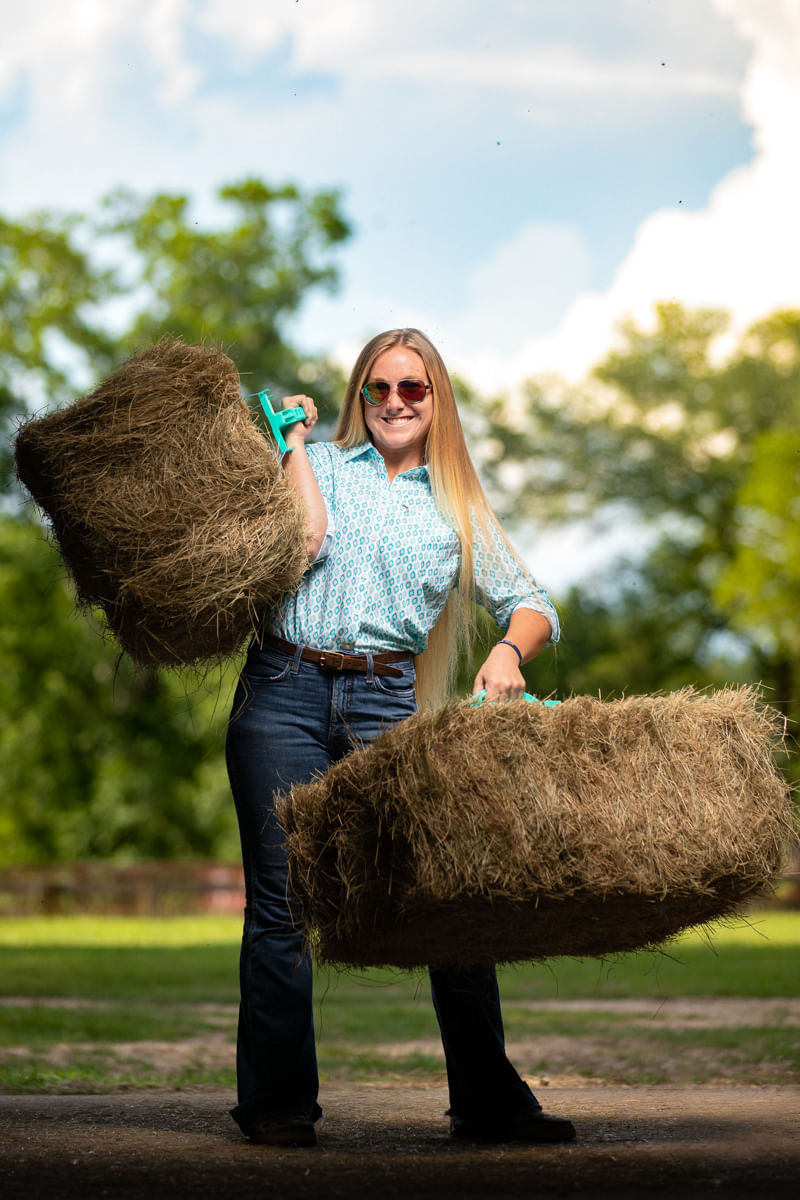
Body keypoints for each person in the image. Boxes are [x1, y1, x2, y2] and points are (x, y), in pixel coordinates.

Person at [225, 327, 576, 1148]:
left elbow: (533, 601)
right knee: (280, 906)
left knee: (445, 894)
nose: (393, 403)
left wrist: (505, 647)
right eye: (377, 389)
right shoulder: (318, 470)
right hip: (283, 691)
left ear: (434, 399)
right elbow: (241, 498)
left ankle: (488, 1101)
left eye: (411, 389)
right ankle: (277, 1104)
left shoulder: (455, 503)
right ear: (359, 396)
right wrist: (284, 434)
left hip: (387, 701)